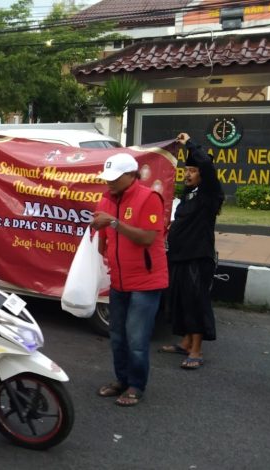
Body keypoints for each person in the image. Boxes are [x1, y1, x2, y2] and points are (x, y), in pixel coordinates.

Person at [91, 153, 168, 407]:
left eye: (115, 178)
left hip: (146, 281)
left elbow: (147, 237)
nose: (109, 182)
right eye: (107, 178)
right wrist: (100, 238)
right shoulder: (106, 199)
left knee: (136, 339)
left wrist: (114, 223)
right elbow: (103, 237)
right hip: (119, 280)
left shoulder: (149, 197)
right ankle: (121, 380)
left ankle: (136, 385)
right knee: (117, 336)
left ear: (131, 175)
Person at [158, 133, 224, 370]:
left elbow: (206, 164)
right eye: (186, 170)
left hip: (197, 258)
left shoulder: (209, 194)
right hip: (179, 256)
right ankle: (186, 342)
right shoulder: (189, 194)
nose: (187, 174)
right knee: (181, 300)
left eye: (193, 171)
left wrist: (189, 143)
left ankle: (196, 350)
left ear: (203, 175)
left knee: (196, 302)